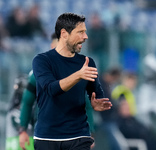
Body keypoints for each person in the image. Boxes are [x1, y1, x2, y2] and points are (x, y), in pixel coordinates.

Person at [32, 12, 112, 150]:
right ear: (64, 34)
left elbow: (96, 94)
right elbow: (51, 89)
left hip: (78, 137)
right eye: (80, 32)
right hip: (47, 137)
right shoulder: (42, 61)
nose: (85, 37)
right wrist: (78, 75)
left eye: (85, 32)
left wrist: (97, 103)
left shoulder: (87, 63)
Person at [18, 33, 58, 150]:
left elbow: (85, 104)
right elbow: (27, 102)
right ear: (52, 45)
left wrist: (89, 131)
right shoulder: (37, 72)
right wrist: (23, 129)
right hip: (44, 131)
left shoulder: (75, 72)